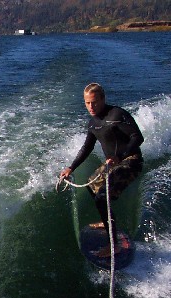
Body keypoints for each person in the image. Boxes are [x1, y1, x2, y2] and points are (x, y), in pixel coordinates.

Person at [58, 83, 144, 257]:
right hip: (113, 163)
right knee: (92, 186)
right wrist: (71, 167)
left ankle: (115, 246)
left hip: (130, 161)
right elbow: (87, 147)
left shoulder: (117, 115)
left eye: (95, 102)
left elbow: (138, 137)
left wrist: (122, 155)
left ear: (103, 99)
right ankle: (108, 223)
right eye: (88, 103)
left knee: (102, 197)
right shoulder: (93, 123)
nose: (91, 106)